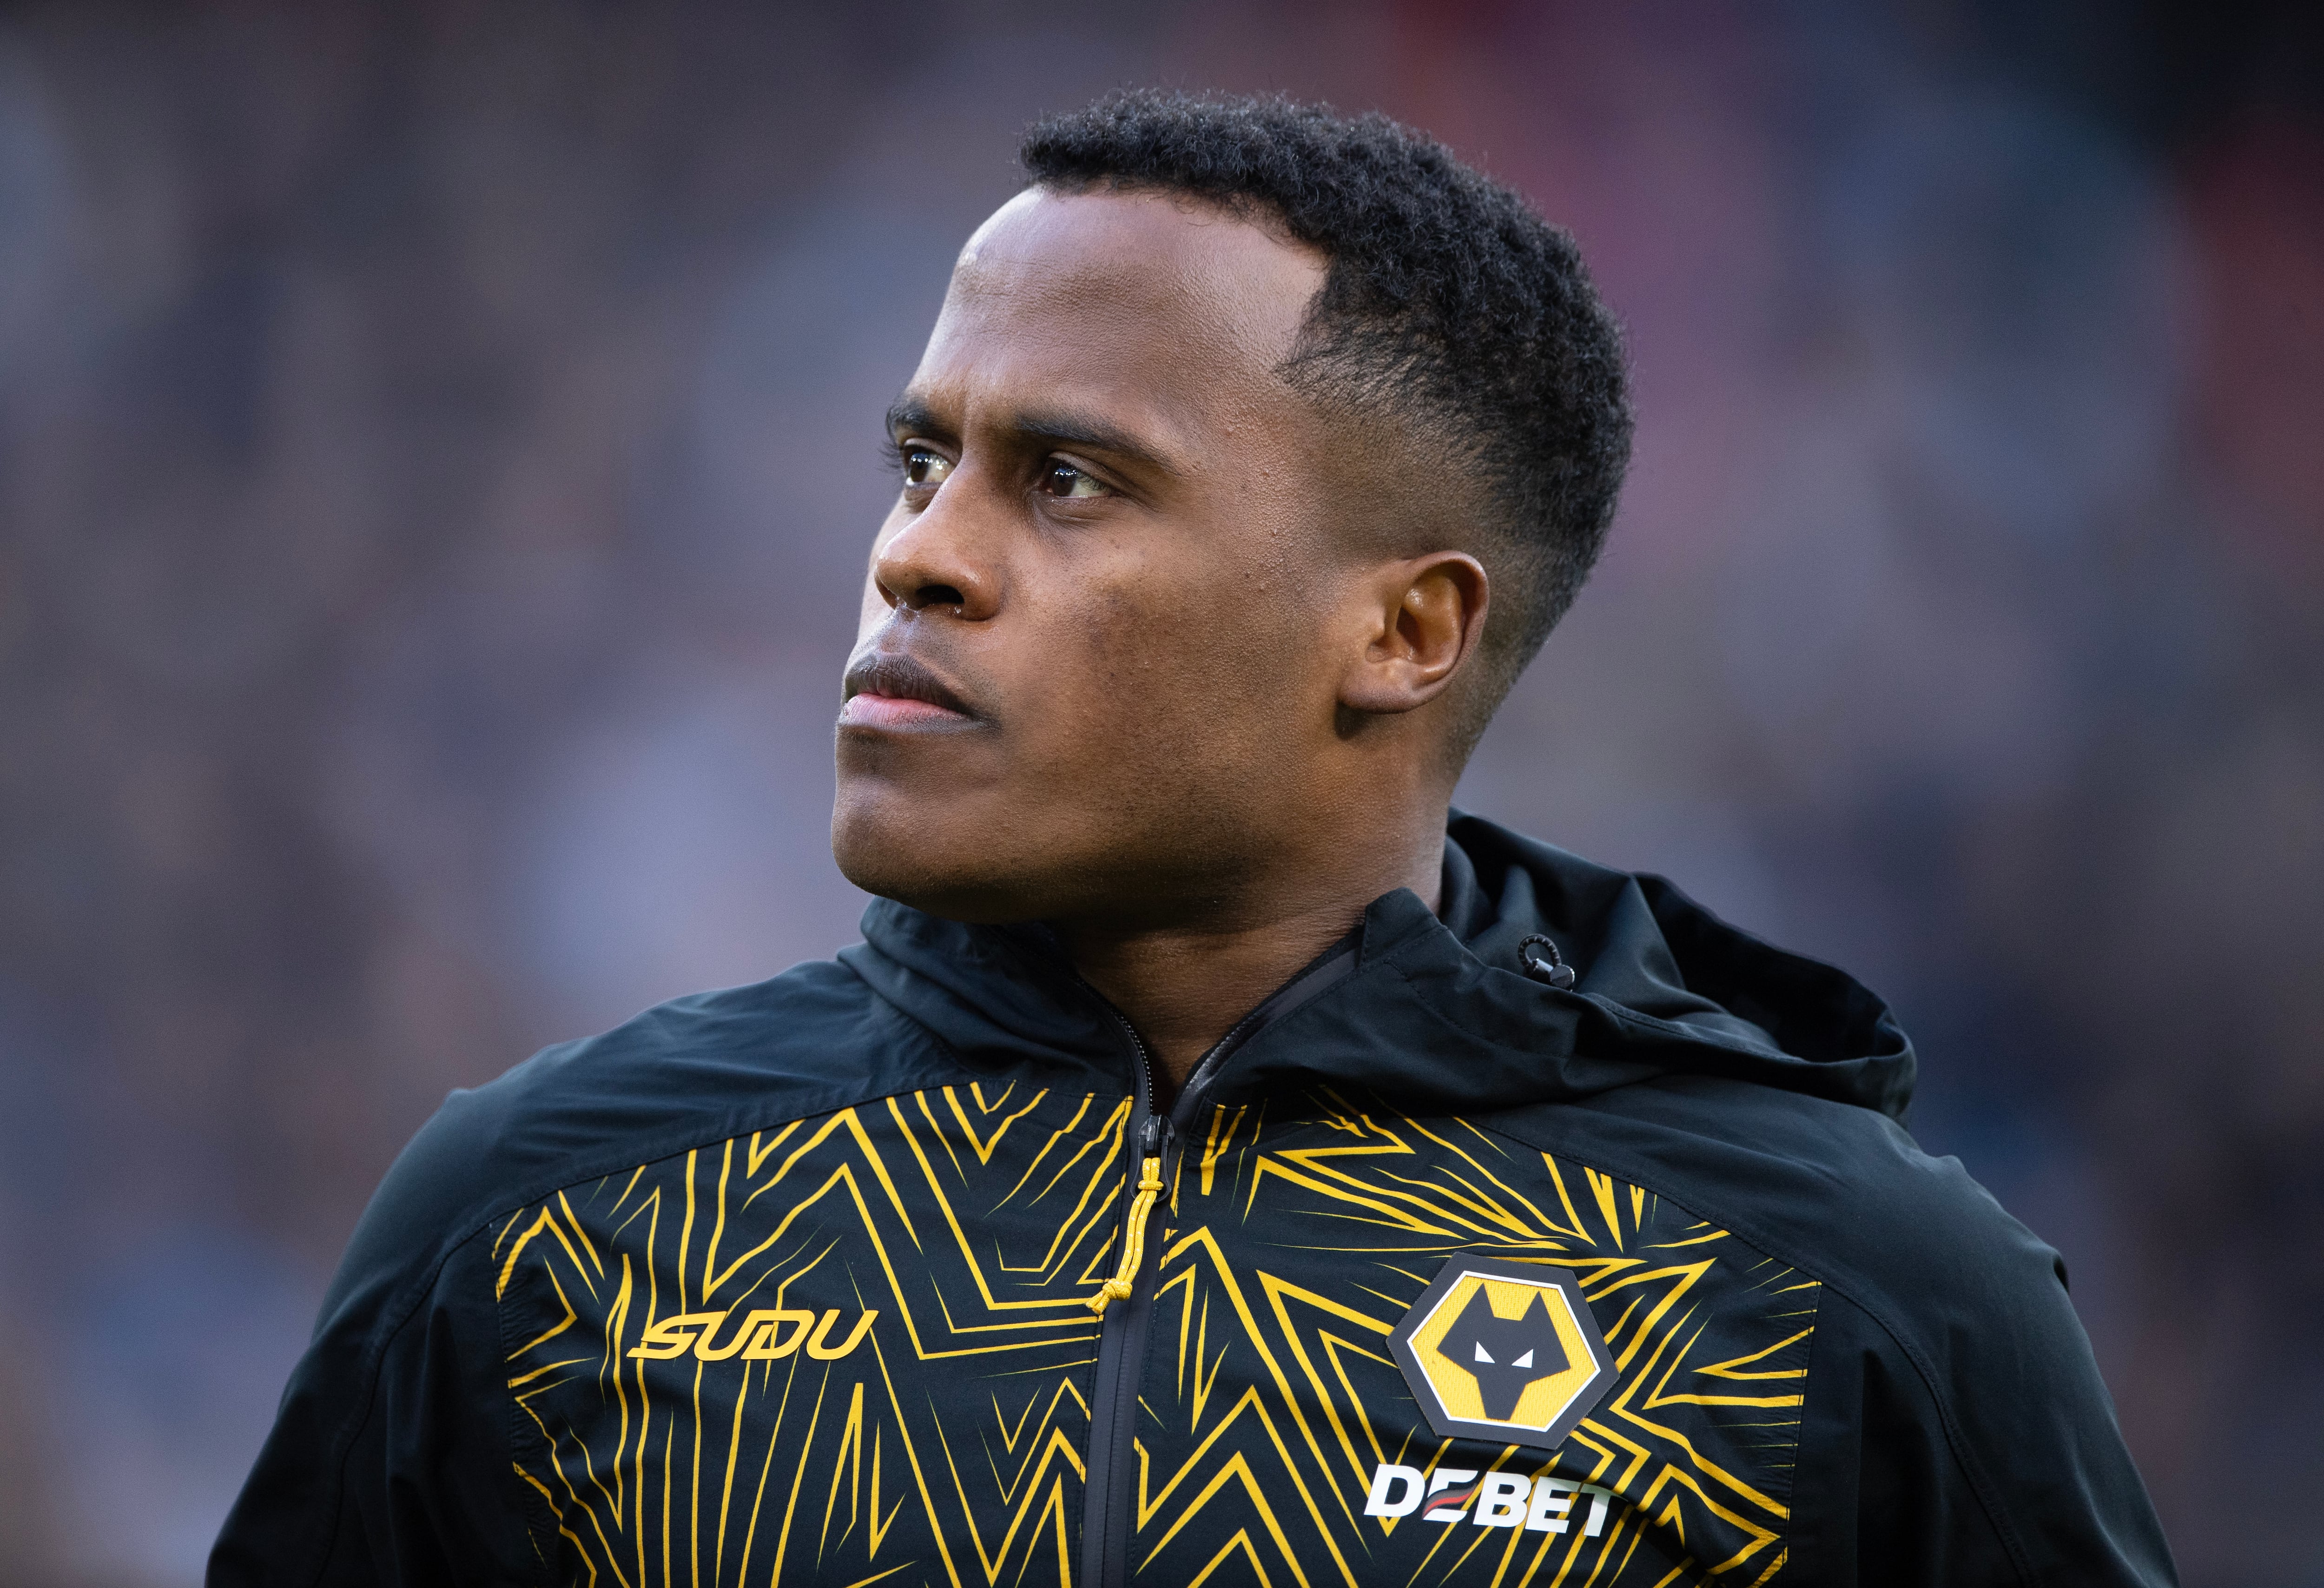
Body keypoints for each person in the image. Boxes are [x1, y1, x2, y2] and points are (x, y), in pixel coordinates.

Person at [211, 91, 2175, 1588]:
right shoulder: (541, 1209)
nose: (915, 552)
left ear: (1402, 629)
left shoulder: (1852, 1287)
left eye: (1066, 479)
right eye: (921, 460)